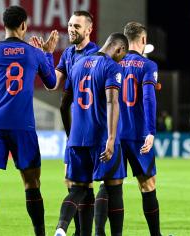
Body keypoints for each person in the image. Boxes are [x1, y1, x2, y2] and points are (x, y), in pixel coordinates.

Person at [0, 6, 58, 236]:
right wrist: (47, 52)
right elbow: (51, 83)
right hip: (22, 125)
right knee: (31, 183)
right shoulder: (34, 53)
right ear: (24, 26)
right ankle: (40, 233)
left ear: (4, 26)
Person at [54, 32, 128, 236]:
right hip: (101, 137)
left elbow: (63, 104)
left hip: (78, 137)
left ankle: (61, 227)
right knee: (114, 188)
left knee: (79, 189)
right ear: (119, 49)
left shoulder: (78, 65)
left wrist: (71, 136)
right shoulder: (112, 67)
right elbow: (113, 101)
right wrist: (112, 138)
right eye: (123, 55)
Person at [49, 11, 99, 235]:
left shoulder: (96, 54)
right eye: (70, 25)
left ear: (89, 29)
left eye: (77, 26)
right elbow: (52, 84)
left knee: (82, 186)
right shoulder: (68, 54)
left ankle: (73, 230)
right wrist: (46, 56)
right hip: (79, 131)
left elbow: (63, 101)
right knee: (82, 186)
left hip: (87, 129)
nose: (71, 29)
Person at [118, 22, 161, 236]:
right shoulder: (147, 65)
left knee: (110, 186)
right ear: (143, 40)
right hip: (138, 135)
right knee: (147, 184)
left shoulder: (111, 63)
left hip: (113, 135)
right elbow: (148, 98)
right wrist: (151, 131)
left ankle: (99, 231)